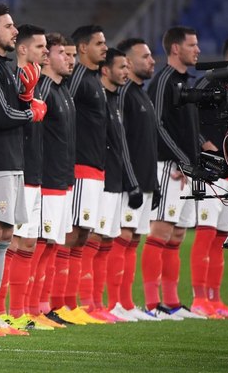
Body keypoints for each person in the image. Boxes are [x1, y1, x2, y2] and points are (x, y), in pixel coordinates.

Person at [0, 4, 46, 335]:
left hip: (14, 161)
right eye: (9, 26)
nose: (15, 31)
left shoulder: (8, 68)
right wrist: (33, 111)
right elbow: (2, 115)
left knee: (5, 236)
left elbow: (15, 111)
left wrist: (28, 97)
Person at [145, 26, 206, 320]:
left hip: (185, 169)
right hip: (168, 168)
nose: (198, 50)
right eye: (192, 45)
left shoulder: (186, 82)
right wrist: (183, 160)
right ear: (175, 49)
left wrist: (200, 150)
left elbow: (187, 129)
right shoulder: (163, 81)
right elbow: (157, 124)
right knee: (160, 231)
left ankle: (170, 302)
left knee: (178, 234)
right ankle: (151, 302)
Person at [51, 25, 109, 325]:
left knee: (82, 235)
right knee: (70, 234)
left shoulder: (93, 80)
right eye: (99, 43)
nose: (105, 48)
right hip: (77, 167)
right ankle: (57, 303)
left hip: (94, 167)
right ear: (83, 47)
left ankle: (70, 304)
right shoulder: (74, 84)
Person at [2, 24, 56, 331]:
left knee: (28, 244)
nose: (45, 52)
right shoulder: (11, 80)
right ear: (22, 49)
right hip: (14, 170)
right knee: (7, 243)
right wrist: (28, 105)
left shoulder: (37, 81)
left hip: (34, 173)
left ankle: (21, 311)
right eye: (40, 47)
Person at [79, 48, 135, 323]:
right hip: (95, 176)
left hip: (111, 178)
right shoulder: (93, 94)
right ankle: (87, 303)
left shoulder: (112, 100)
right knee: (92, 238)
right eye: (121, 65)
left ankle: (100, 303)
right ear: (105, 70)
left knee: (106, 240)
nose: (126, 71)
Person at [107, 38, 161, 322]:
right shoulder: (124, 94)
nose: (151, 60)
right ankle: (115, 302)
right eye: (145, 56)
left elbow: (146, 142)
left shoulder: (141, 93)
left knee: (133, 238)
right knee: (123, 236)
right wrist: (132, 181)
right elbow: (122, 141)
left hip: (145, 179)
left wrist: (155, 183)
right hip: (130, 180)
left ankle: (126, 303)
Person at [27, 33, 77, 326]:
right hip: (46, 179)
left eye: (72, 55)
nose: (70, 60)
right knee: (40, 243)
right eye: (64, 54)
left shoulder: (63, 89)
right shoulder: (42, 89)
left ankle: (44, 307)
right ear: (47, 58)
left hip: (63, 178)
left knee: (54, 243)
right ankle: (32, 308)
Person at [189, 34, 228, 318]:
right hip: (210, 169)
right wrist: (202, 142)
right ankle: (199, 299)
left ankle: (215, 299)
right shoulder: (209, 83)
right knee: (205, 235)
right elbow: (187, 118)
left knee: (220, 237)